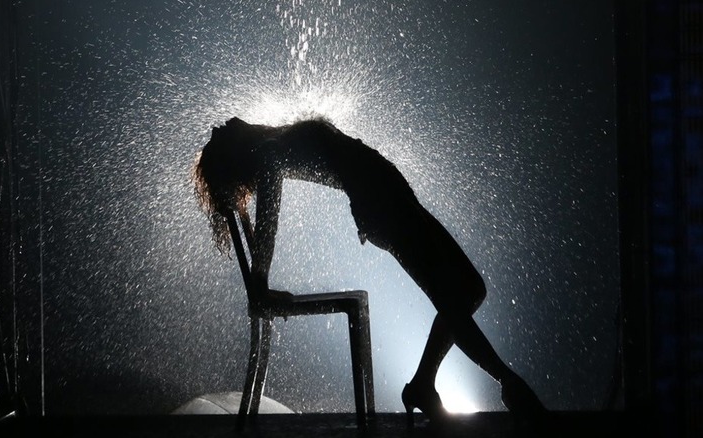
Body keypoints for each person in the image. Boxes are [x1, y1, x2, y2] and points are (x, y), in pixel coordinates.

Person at [193, 116, 547, 425]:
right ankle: (508, 382)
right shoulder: (269, 152)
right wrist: (259, 284)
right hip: (383, 209)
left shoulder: (278, 137)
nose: (222, 125)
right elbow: (268, 216)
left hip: (393, 200)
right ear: (235, 154)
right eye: (221, 135)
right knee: (452, 299)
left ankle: (424, 384)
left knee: (471, 288)